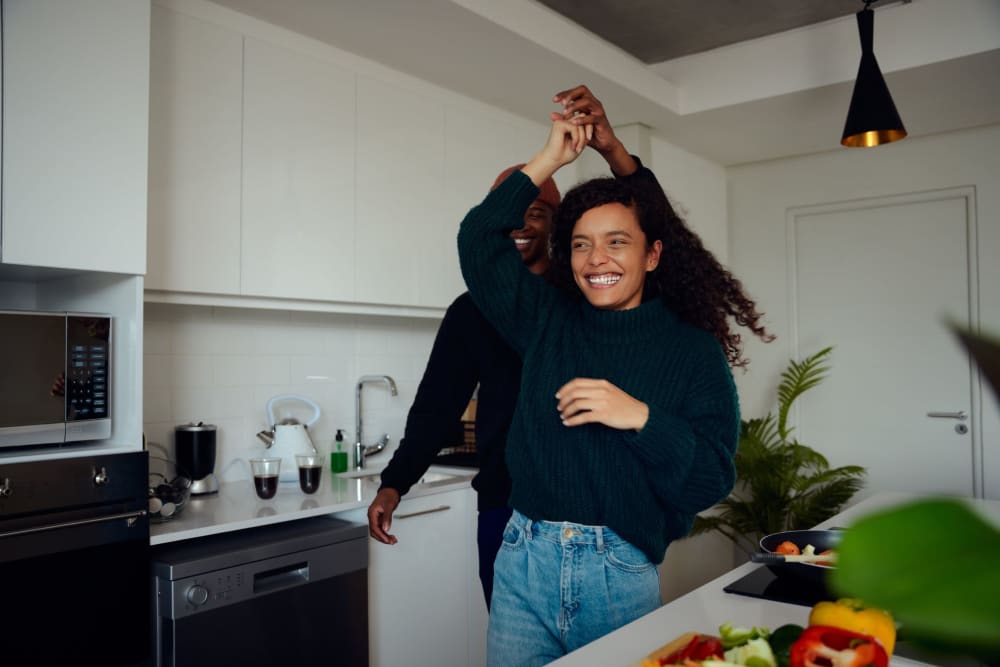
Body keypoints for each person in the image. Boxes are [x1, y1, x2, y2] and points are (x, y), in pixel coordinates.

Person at [457, 85, 774, 665]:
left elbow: (710, 479)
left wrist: (640, 418)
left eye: (616, 243)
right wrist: (551, 158)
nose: (596, 259)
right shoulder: (547, 321)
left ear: (652, 256)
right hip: (523, 556)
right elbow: (478, 244)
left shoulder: (691, 352)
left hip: (616, 571)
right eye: (581, 245)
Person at [366, 163, 561, 610]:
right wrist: (394, 482)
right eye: (507, 213)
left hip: (580, 509)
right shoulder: (471, 311)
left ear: (555, 222)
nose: (518, 225)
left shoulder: (577, 299)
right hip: (503, 504)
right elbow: (438, 403)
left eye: (533, 212)